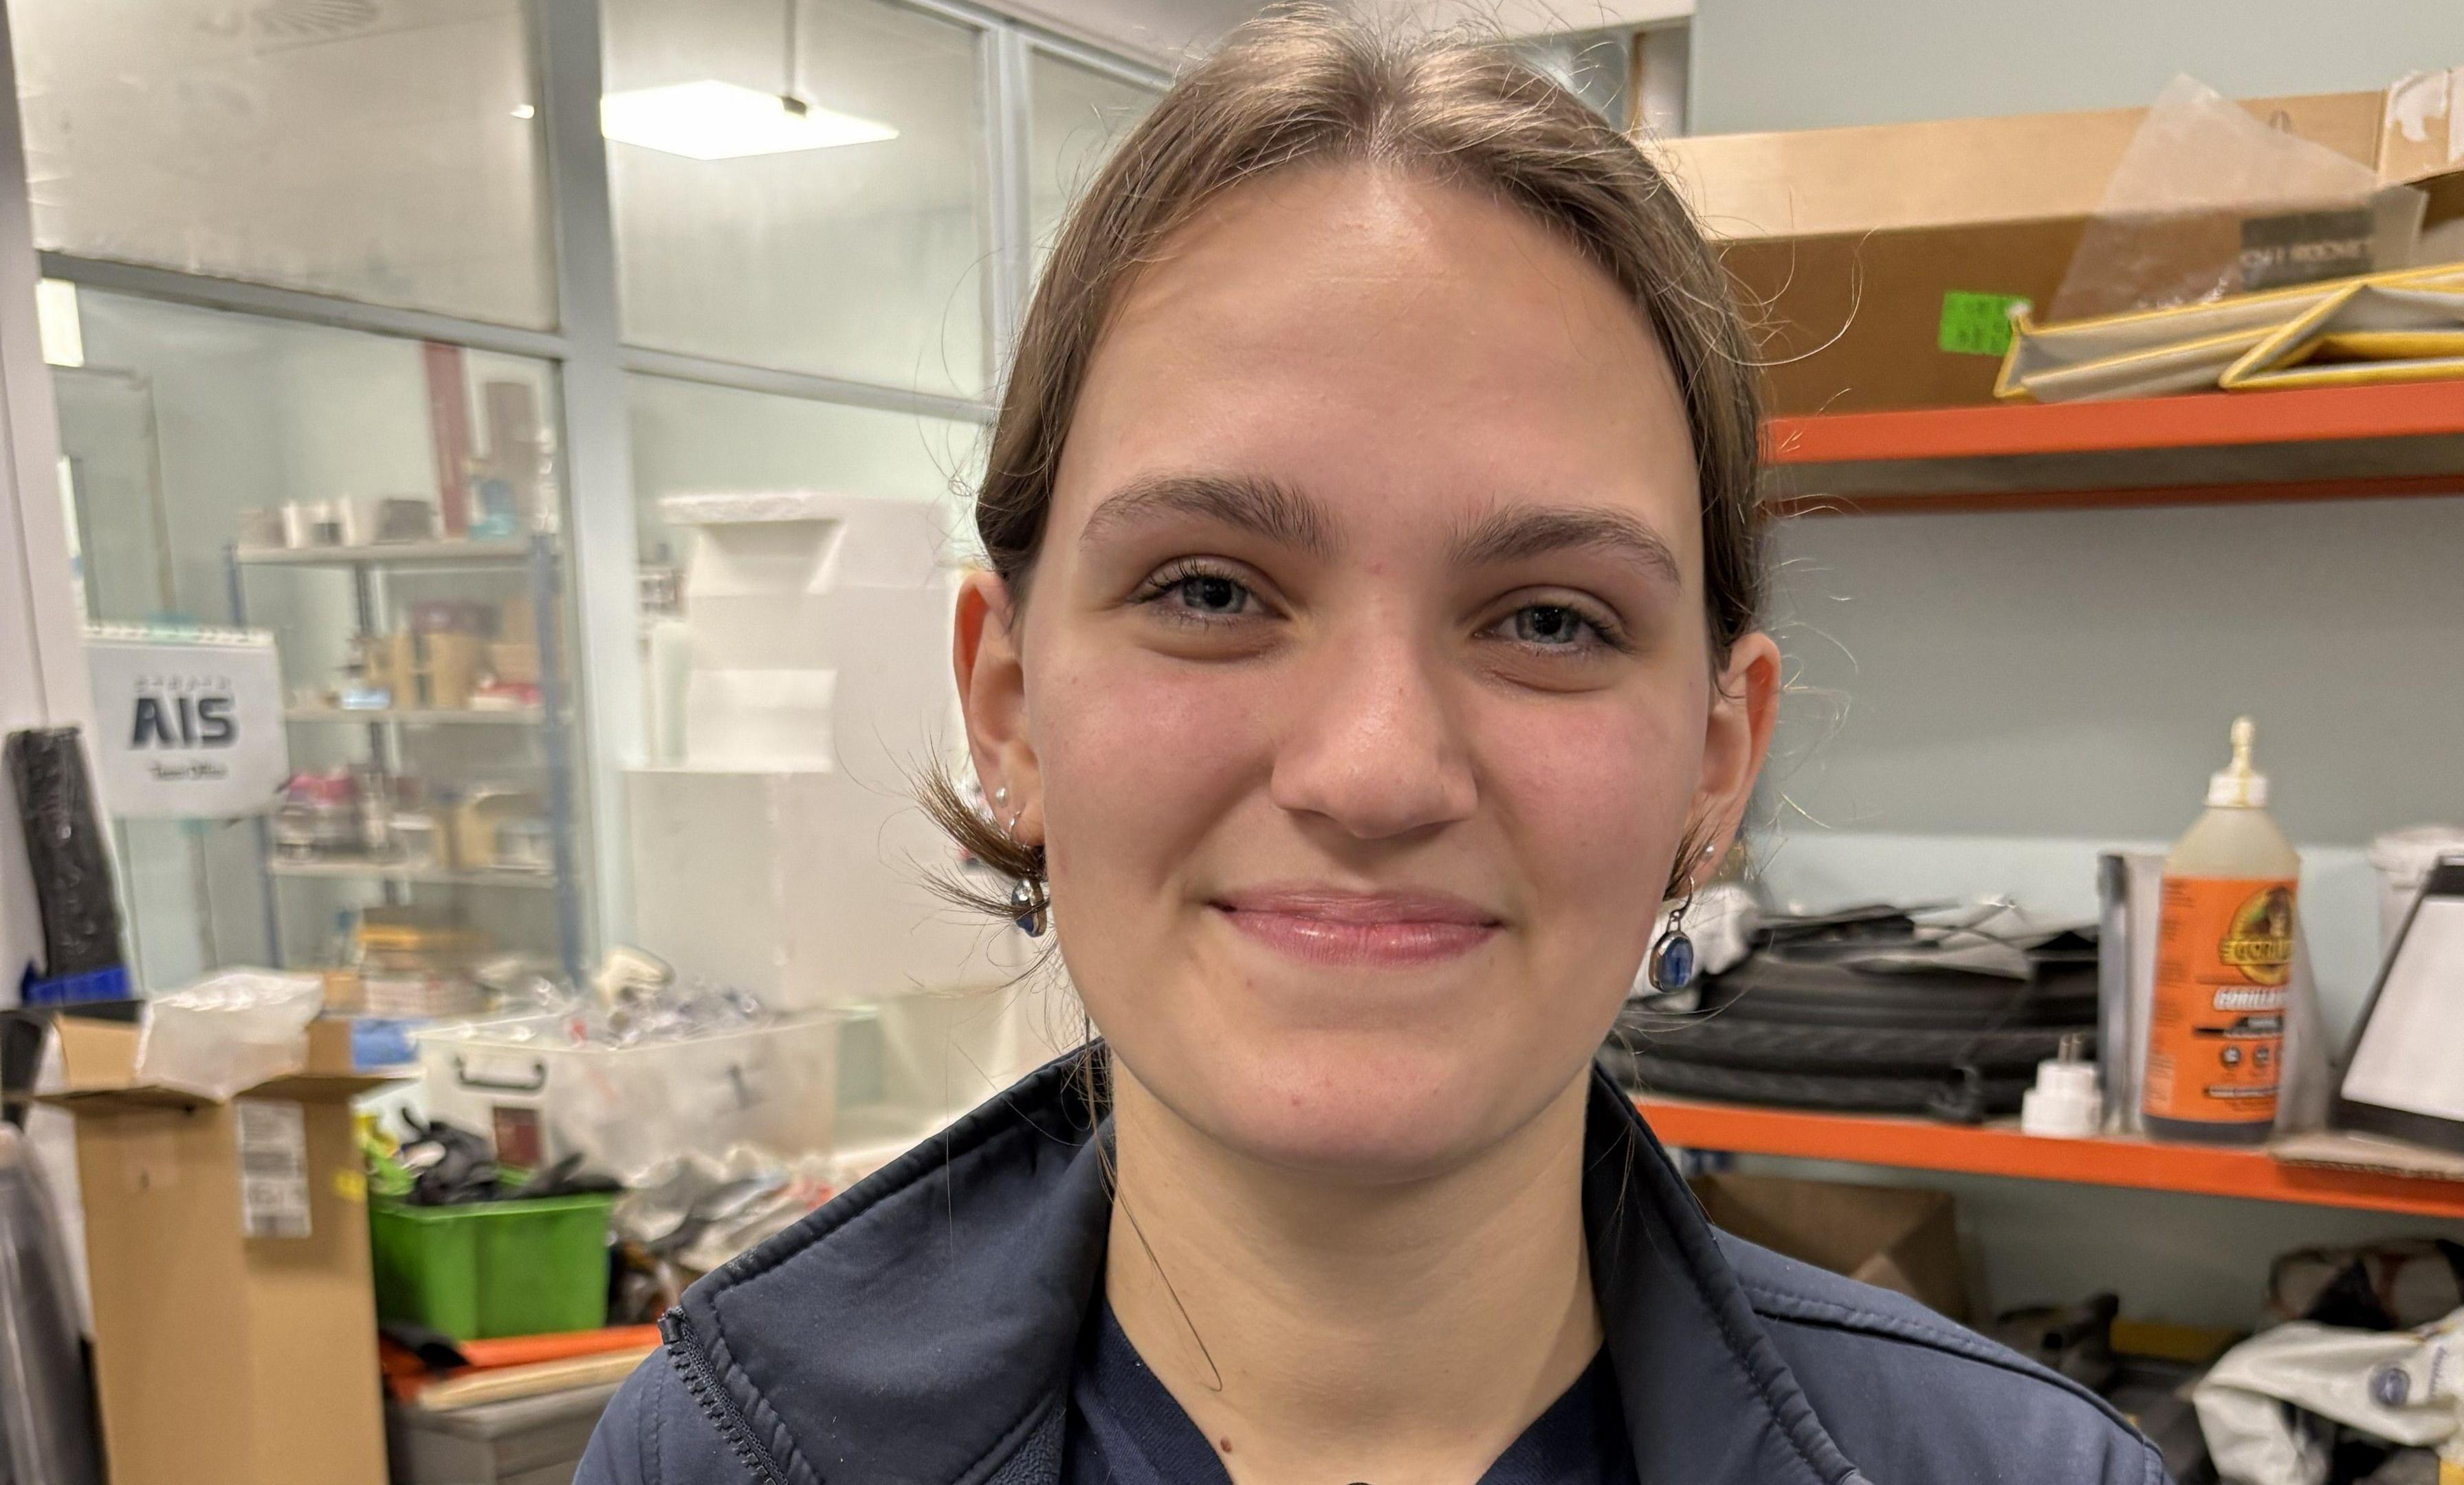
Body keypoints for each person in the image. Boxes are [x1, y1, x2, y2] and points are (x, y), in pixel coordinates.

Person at [578, 12, 2162, 1485]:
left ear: (1713, 761)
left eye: (1549, 621)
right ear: (1006, 705)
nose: (1378, 769)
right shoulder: (716, 1459)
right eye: (1209, 590)